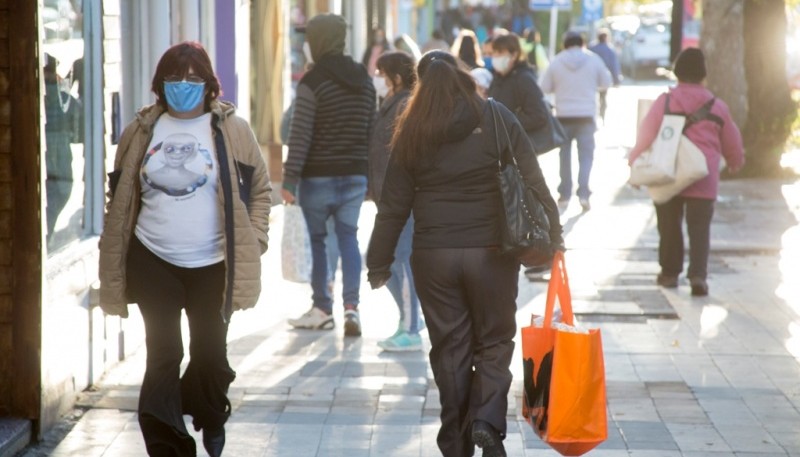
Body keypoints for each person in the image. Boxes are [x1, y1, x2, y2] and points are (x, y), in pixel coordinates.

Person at [367, 50, 563, 457]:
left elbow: (393, 205)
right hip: (492, 252)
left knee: (450, 350)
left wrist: (378, 260)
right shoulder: (495, 117)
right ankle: (487, 421)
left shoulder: (412, 128)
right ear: (461, 79)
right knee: (494, 340)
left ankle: (455, 443)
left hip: (434, 256)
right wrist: (554, 232)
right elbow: (533, 177)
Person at [98, 41, 272, 457]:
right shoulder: (141, 131)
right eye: (174, 78)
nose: (183, 85)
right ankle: (167, 446)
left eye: (194, 78)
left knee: (209, 353)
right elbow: (119, 193)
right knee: (164, 352)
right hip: (151, 257)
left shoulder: (233, 130)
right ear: (160, 84)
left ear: (210, 84)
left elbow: (260, 190)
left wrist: (256, 237)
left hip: (213, 262)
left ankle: (210, 415)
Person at [283, 13, 375, 336]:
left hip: (317, 177)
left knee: (319, 242)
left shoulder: (312, 82)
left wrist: (289, 179)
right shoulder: (364, 78)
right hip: (354, 176)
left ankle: (322, 307)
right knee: (349, 237)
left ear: (318, 41)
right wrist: (371, 179)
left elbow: (300, 134)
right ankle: (352, 309)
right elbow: (372, 131)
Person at [628, 47, 744, 296]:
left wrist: (635, 160)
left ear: (677, 73)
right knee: (700, 228)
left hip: (668, 173)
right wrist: (735, 161)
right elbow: (732, 139)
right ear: (704, 74)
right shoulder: (717, 106)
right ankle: (698, 277)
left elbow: (646, 133)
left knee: (669, 226)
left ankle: (670, 273)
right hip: (703, 175)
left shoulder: (666, 101)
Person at [367, 51, 424, 352]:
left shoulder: (405, 104)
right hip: (388, 199)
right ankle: (411, 318)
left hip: (402, 201)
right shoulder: (391, 103)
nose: (378, 78)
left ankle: (412, 328)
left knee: (400, 261)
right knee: (384, 260)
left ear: (397, 77)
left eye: (381, 73)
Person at [540, 31, 612, 211]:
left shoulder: (556, 61)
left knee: (564, 155)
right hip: (586, 115)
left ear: (564, 44)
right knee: (586, 156)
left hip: (563, 115)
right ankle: (584, 192)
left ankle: (564, 193)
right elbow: (606, 82)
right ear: (583, 43)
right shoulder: (593, 59)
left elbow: (544, 87)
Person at [487, 33, 549, 150]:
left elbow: (538, 115)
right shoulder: (497, 78)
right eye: (493, 53)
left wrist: (508, 123)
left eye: (500, 53)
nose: (495, 57)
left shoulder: (524, 78)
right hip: (499, 147)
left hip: (519, 149)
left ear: (514, 55)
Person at [589, 28, 622, 122]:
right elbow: (614, 66)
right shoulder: (610, 49)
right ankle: (602, 114)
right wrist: (616, 80)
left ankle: (595, 114)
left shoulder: (592, 48)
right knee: (603, 96)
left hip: (592, 77)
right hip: (605, 78)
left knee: (592, 96)